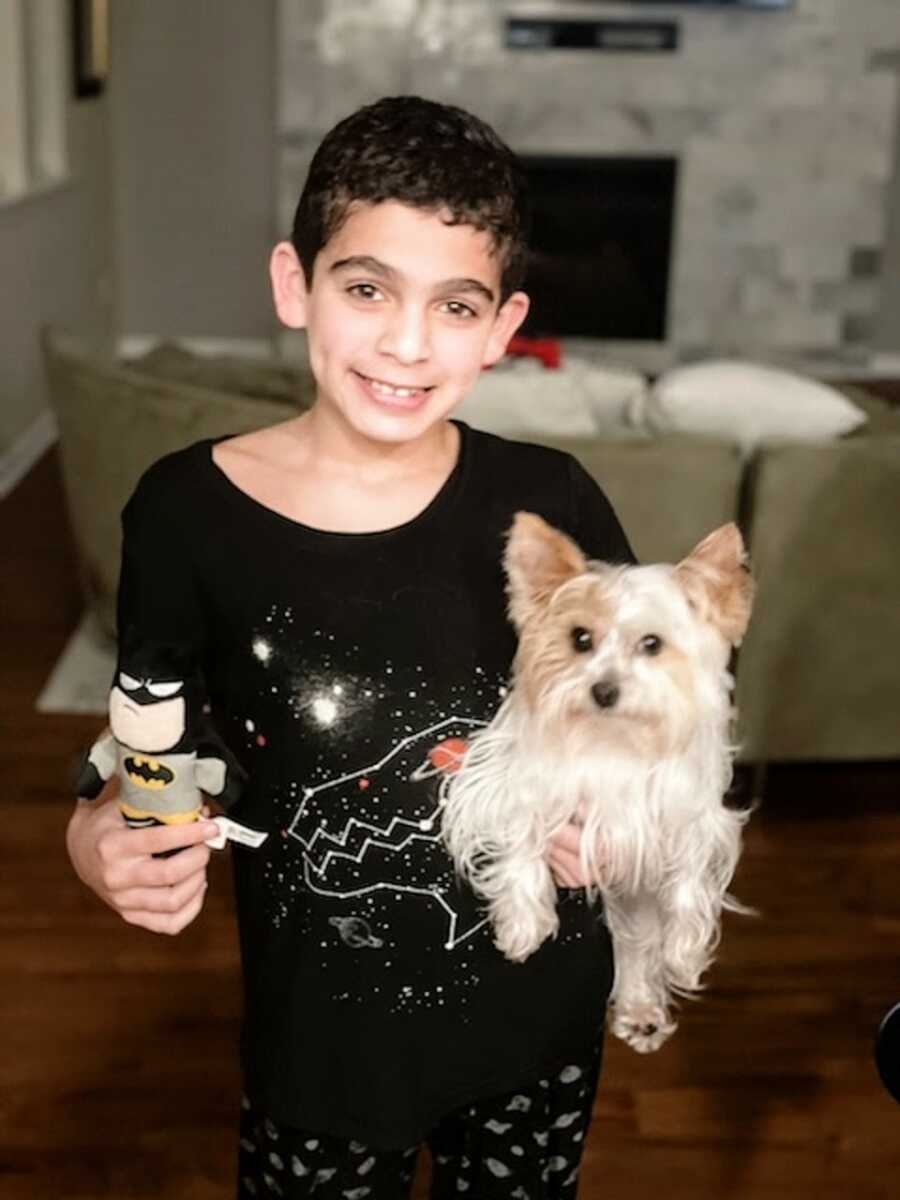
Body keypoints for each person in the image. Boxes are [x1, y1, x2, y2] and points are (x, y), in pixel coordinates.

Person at [66, 95, 635, 1199]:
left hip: (540, 1023)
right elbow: (151, 737)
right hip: (318, 1049)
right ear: (296, 284)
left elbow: (641, 720)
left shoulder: (551, 500)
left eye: (455, 305)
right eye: (367, 288)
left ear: (504, 325)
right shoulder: (185, 511)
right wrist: (100, 829)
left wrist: (618, 823)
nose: (407, 343)